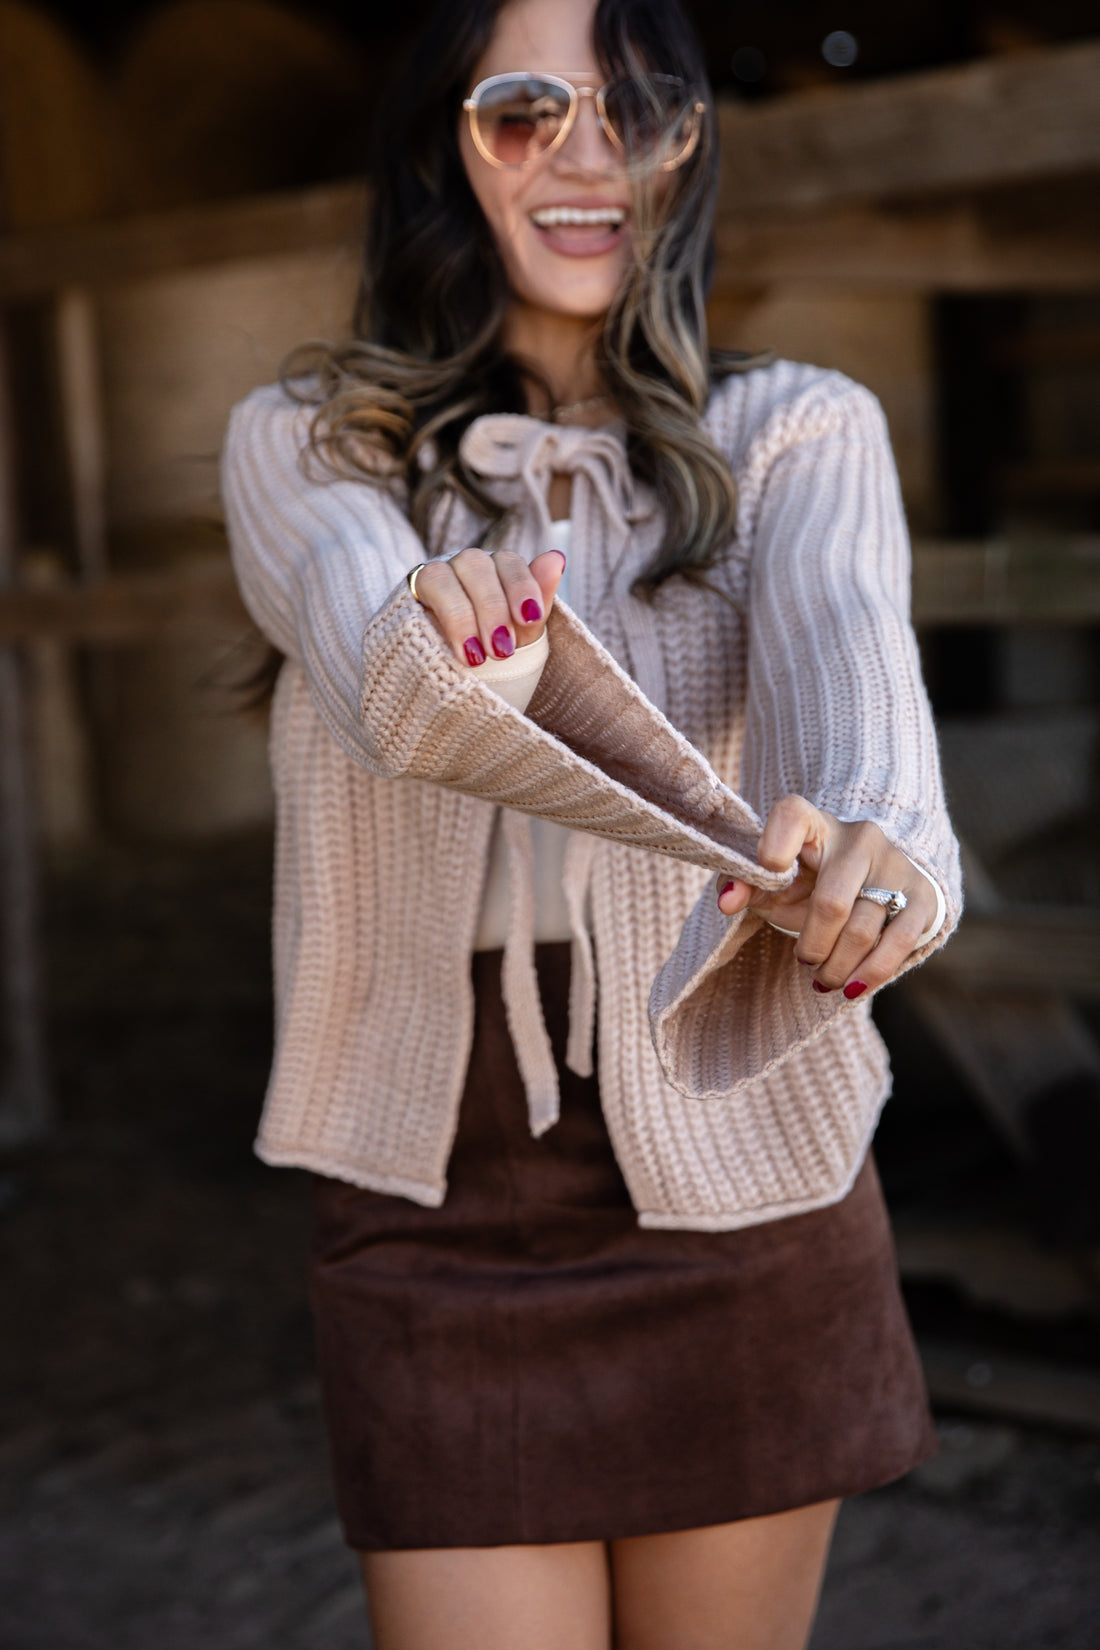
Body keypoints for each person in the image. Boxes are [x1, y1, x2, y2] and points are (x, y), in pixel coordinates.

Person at [221, 0, 962, 1645]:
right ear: (444, 145)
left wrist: (875, 844)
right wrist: (447, 631)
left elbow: (855, 674)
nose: (589, 152)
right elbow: (374, 661)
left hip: (743, 1153)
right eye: (525, 110)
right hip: (437, 1193)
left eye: (642, 106)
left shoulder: (800, 429)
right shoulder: (306, 443)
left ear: (691, 142)